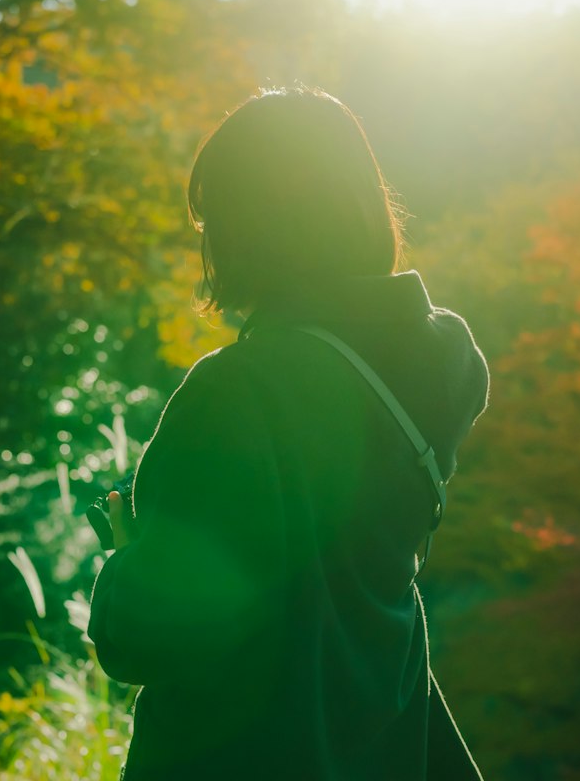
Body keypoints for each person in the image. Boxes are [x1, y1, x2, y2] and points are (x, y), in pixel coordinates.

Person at [88, 87, 489, 780]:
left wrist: (128, 558)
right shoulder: (447, 361)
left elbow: (149, 639)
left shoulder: (235, 393)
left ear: (250, 230)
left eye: (214, 220)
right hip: (388, 747)